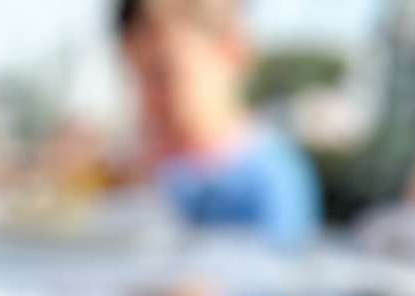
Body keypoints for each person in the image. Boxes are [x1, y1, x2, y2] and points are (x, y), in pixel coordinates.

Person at [116, 0, 320, 245]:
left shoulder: (272, 178)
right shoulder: (156, 173)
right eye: (137, 79)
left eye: (162, 76)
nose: (147, 100)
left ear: (231, 51)